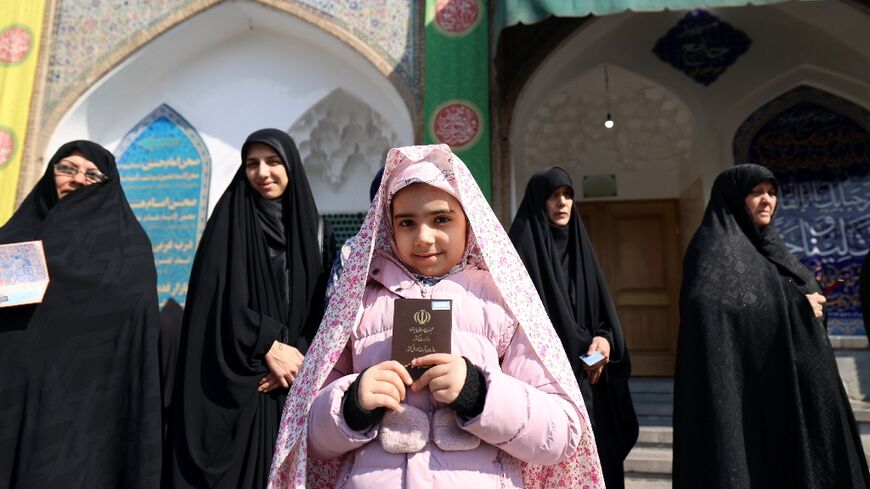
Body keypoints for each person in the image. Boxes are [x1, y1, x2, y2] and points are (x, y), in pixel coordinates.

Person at [268, 144, 604, 489]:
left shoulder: (502, 303)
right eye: (407, 223)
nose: (424, 237)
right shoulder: (356, 306)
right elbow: (306, 435)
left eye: (441, 219)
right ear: (388, 227)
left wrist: (480, 394)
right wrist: (351, 404)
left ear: (468, 220)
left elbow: (562, 432)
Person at [672, 163, 869, 488]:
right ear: (735, 198)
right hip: (755, 401)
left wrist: (802, 301)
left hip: (803, 398)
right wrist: (795, 305)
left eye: (772, 192)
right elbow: (710, 307)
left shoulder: (773, 248)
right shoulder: (713, 249)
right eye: (756, 192)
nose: (767, 200)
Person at [166, 129, 334, 489]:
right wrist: (268, 345)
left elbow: (325, 308)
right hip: (245, 376)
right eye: (252, 164)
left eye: (273, 162)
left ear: (291, 165)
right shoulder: (228, 226)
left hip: (293, 381)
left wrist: (297, 355)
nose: (263, 172)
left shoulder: (317, 232)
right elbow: (213, 304)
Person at [0, 141, 162, 487]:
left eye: (92, 174)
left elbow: (135, 335)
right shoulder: (14, 238)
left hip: (84, 408)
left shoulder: (129, 249)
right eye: (67, 168)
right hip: (10, 395)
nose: (77, 179)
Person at [508, 167, 638, 489]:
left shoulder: (581, 248)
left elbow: (605, 320)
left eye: (567, 195)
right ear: (540, 201)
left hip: (592, 381)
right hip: (547, 390)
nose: (562, 203)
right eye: (554, 196)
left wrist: (604, 342)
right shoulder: (520, 252)